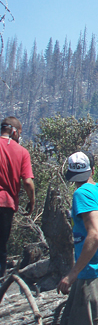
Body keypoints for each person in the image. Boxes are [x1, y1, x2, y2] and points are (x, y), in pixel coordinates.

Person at [57, 151, 98, 325]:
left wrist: (72, 274)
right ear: (92, 170)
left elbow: (96, 235)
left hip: (91, 274)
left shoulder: (81, 194)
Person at [0, 116, 35, 277]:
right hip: (5, 204)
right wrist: (31, 200)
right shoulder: (21, 152)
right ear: (14, 132)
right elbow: (27, 182)